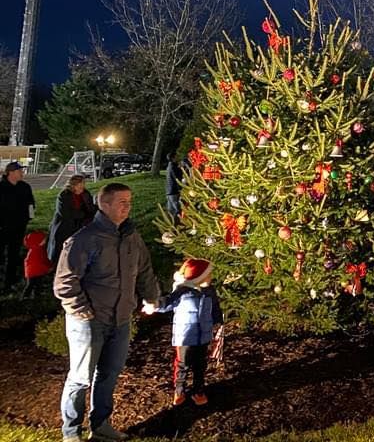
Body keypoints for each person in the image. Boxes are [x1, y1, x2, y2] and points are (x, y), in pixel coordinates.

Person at [54, 182, 161, 442]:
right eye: (122, 202)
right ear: (105, 204)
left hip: (121, 319)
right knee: (80, 378)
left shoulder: (131, 236)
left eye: (129, 201)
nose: (128, 206)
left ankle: (100, 425)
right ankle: (71, 432)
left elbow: (144, 268)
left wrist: (151, 297)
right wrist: (83, 312)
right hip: (89, 322)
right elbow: (64, 282)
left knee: (109, 375)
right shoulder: (84, 239)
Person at [152, 258, 223, 406]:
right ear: (199, 277)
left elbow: (215, 308)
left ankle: (199, 390)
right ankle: (179, 390)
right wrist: (154, 305)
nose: (210, 277)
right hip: (184, 336)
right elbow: (167, 303)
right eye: (208, 275)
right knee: (182, 364)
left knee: (200, 365)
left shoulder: (210, 291)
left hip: (203, 335)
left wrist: (218, 322)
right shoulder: (181, 291)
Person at [0, 161, 36, 290]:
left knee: (14, 254)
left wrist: (29, 217)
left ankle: (10, 281)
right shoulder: (2, 187)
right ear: (11, 173)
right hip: (3, 227)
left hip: (19, 227)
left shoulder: (25, 187)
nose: (22, 173)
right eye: (20, 171)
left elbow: (31, 204)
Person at [48, 175, 97, 266]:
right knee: (61, 251)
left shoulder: (85, 194)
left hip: (80, 226)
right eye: (80, 184)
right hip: (64, 227)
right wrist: (83, 214)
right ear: (74, 185)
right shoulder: (64, 195)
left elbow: (90, 208)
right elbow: (65, 213)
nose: (82, 186)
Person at [22, 229, 54, 298]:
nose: (45, 241)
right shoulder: (36, 252)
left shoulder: (38, 249)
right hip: (34, 272)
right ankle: (26, 297)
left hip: (35, 272)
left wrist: (49, 265)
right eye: (43, 240)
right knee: (31, 285)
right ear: (38, 242)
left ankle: (34, 296)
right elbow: (39, 263)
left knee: (36, 285)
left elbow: (44, 260)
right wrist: (48, 268)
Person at [165, 153, 185, 222]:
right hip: (174, 191)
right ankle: (176, 226)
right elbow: (177, 179)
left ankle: (171, 224)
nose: (178, 158)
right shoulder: (174, 167)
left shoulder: (169, 167)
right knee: (177, 210)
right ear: (173, 158)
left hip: (169, 191)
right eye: (176, 156)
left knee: (171, 210)